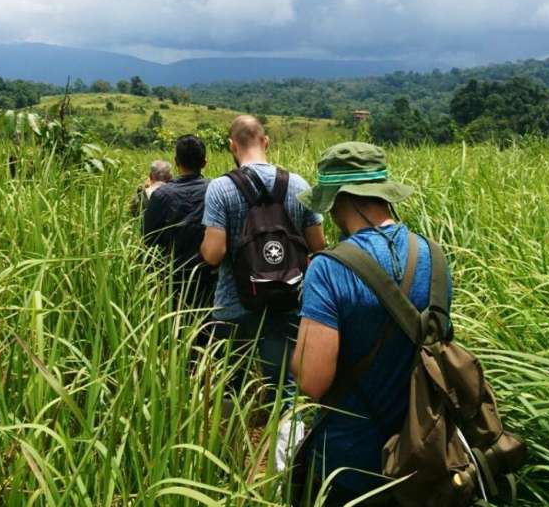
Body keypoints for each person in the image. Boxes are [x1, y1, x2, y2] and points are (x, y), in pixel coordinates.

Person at [290, 141, 453, 505]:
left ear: (339, 198)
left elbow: (312, 382)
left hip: (349, 463)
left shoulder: (328, 269)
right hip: (424, 454)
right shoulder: (435, 255)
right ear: (382, 193)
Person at [200, 115, 326, 397]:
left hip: (234, 305)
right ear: (265, 141)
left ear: (232, 146)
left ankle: (233, 438)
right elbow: (318, 246)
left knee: (230, 385)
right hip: (287, 299)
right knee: (283, 385)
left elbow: (213, 254)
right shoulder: (298, 185)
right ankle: (285, 438)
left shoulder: (220, 188)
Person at [143, 135, 216, 310]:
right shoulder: (216, 189)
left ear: (176, 162)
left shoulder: (161, 195)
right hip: (210, 279)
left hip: (172, 281)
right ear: (204, 162)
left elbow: (148, 239)